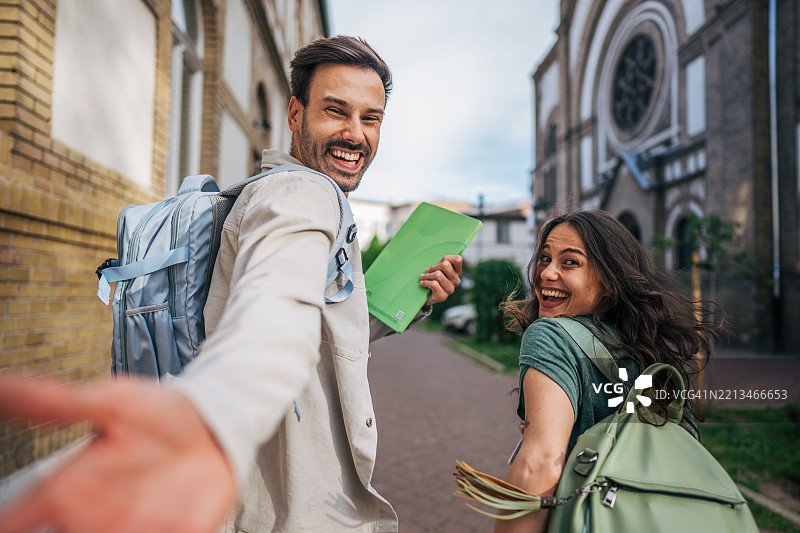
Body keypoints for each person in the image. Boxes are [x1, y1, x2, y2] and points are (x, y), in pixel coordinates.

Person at [0, 36, 463, 533]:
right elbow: (277, 310)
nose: (355, 134)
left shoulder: (274, 195)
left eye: (370, 119)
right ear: (294, 113)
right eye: (336, 111)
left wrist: (407, 301)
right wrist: (215, 411)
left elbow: (313, 322)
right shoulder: (305, 192)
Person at [494, 209, 723, 533]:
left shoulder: (549, 335)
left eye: (569, 262)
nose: (546, 273)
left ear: (610, 282)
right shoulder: (646, 349)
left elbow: (541, 464)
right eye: (544, 258)